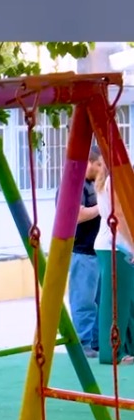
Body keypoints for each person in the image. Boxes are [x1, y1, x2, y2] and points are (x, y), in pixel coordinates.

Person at [58, 148, 103, 358]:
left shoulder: (96, 185)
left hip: (98, 251)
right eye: (99, 165)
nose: (101, 169)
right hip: (82, 252)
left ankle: (97, 342)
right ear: (89, 163)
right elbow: (76, 215)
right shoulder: (73, 185)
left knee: (100, 301)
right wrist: (102, 207)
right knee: (84, 301)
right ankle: (83, 343)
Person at [94, 161, 134, 365]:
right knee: (116, 303)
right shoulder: (115, 182)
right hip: (117, 246)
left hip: (112, 244)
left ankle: (124, 348)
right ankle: (112, 352)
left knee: (125, 300)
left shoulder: (108, 181)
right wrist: (132, 244)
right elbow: (119, 215)